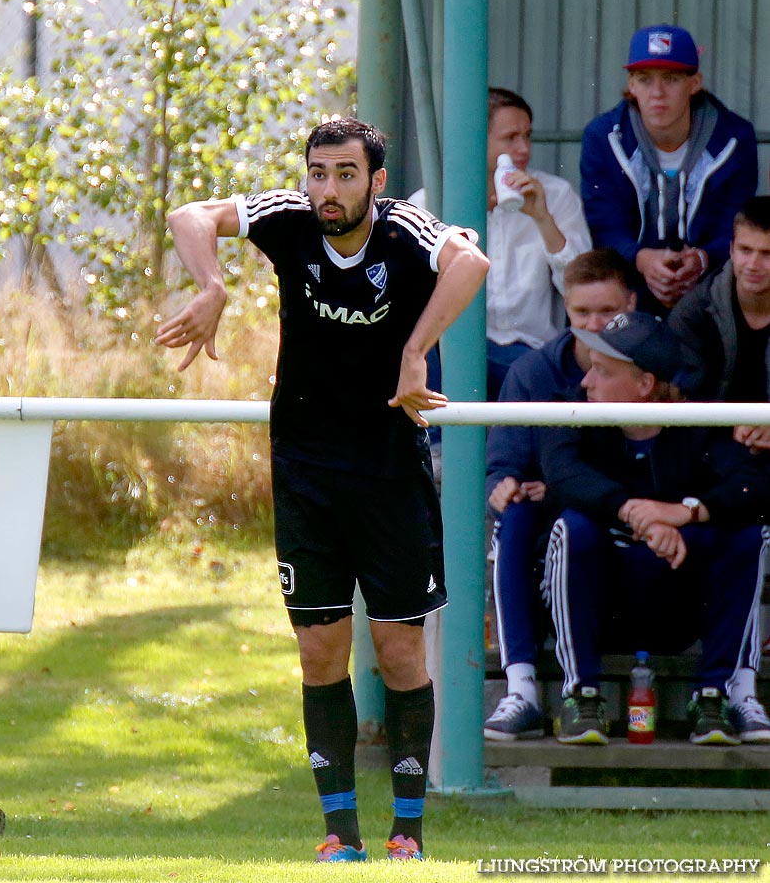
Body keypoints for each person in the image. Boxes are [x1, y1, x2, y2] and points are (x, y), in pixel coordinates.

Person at [156, 118, 488, 862]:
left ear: (375, 180)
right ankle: (339, 832)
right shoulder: (289, 220)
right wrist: (211, 284)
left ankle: (409, 832)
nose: (326, 189)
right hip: (304, 466)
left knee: (399, 650)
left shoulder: (404, 230)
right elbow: (189, 215)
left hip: (388, 471)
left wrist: (413, 352)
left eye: (344, 174)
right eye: (316, 173)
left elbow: (470, 264)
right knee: (318, 650)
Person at [539, 312, 770, 746]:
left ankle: (714, 695)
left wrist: (687, 513)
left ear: (645, 386)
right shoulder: (573, 409)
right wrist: (636, 513)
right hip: (604, 610)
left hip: (680, 611)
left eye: (603, 372)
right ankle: (579, 694)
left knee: (747, 535)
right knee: (573, 529)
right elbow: (562, 473)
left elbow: (755, 485)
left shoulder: (697, 425)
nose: (586, 382)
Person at [483, 249, 636, 741]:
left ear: (631, 304)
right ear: (565, 309)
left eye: (608, 312)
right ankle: (521, 689)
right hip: (551, 533)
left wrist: (564, 485)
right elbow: (501, 465)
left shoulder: (650, 363)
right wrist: (503, 487)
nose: (594, 324)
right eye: (581, 313)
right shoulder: (532, 374)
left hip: (623, 532)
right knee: (516, 516)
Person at [411, 88, 591, 399]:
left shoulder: (555, 194)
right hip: (455, 351)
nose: (523, 148)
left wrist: (543, 219)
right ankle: (438, 446)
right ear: (476, 139)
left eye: (527, 136)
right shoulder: (430, 202)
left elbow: (580, 289)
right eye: (510, 138)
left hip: (529, 351)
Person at [580, 24, 758, 315]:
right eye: (645, 79)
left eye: (672, 78)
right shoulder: (604, 136)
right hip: (629, 280)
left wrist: (701, 259)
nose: (658, 93)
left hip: (710, 282)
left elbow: (735, 222)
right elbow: (603, 224)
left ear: (695, 82)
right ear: (632, 84)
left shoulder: (734, 137)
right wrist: (642, 259)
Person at [669, 196, 770, 451]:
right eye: (745, 250)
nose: (753, 265)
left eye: (767, 254)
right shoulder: (696, 311)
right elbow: (681, 397)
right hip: (712, 447)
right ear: (731, 250)